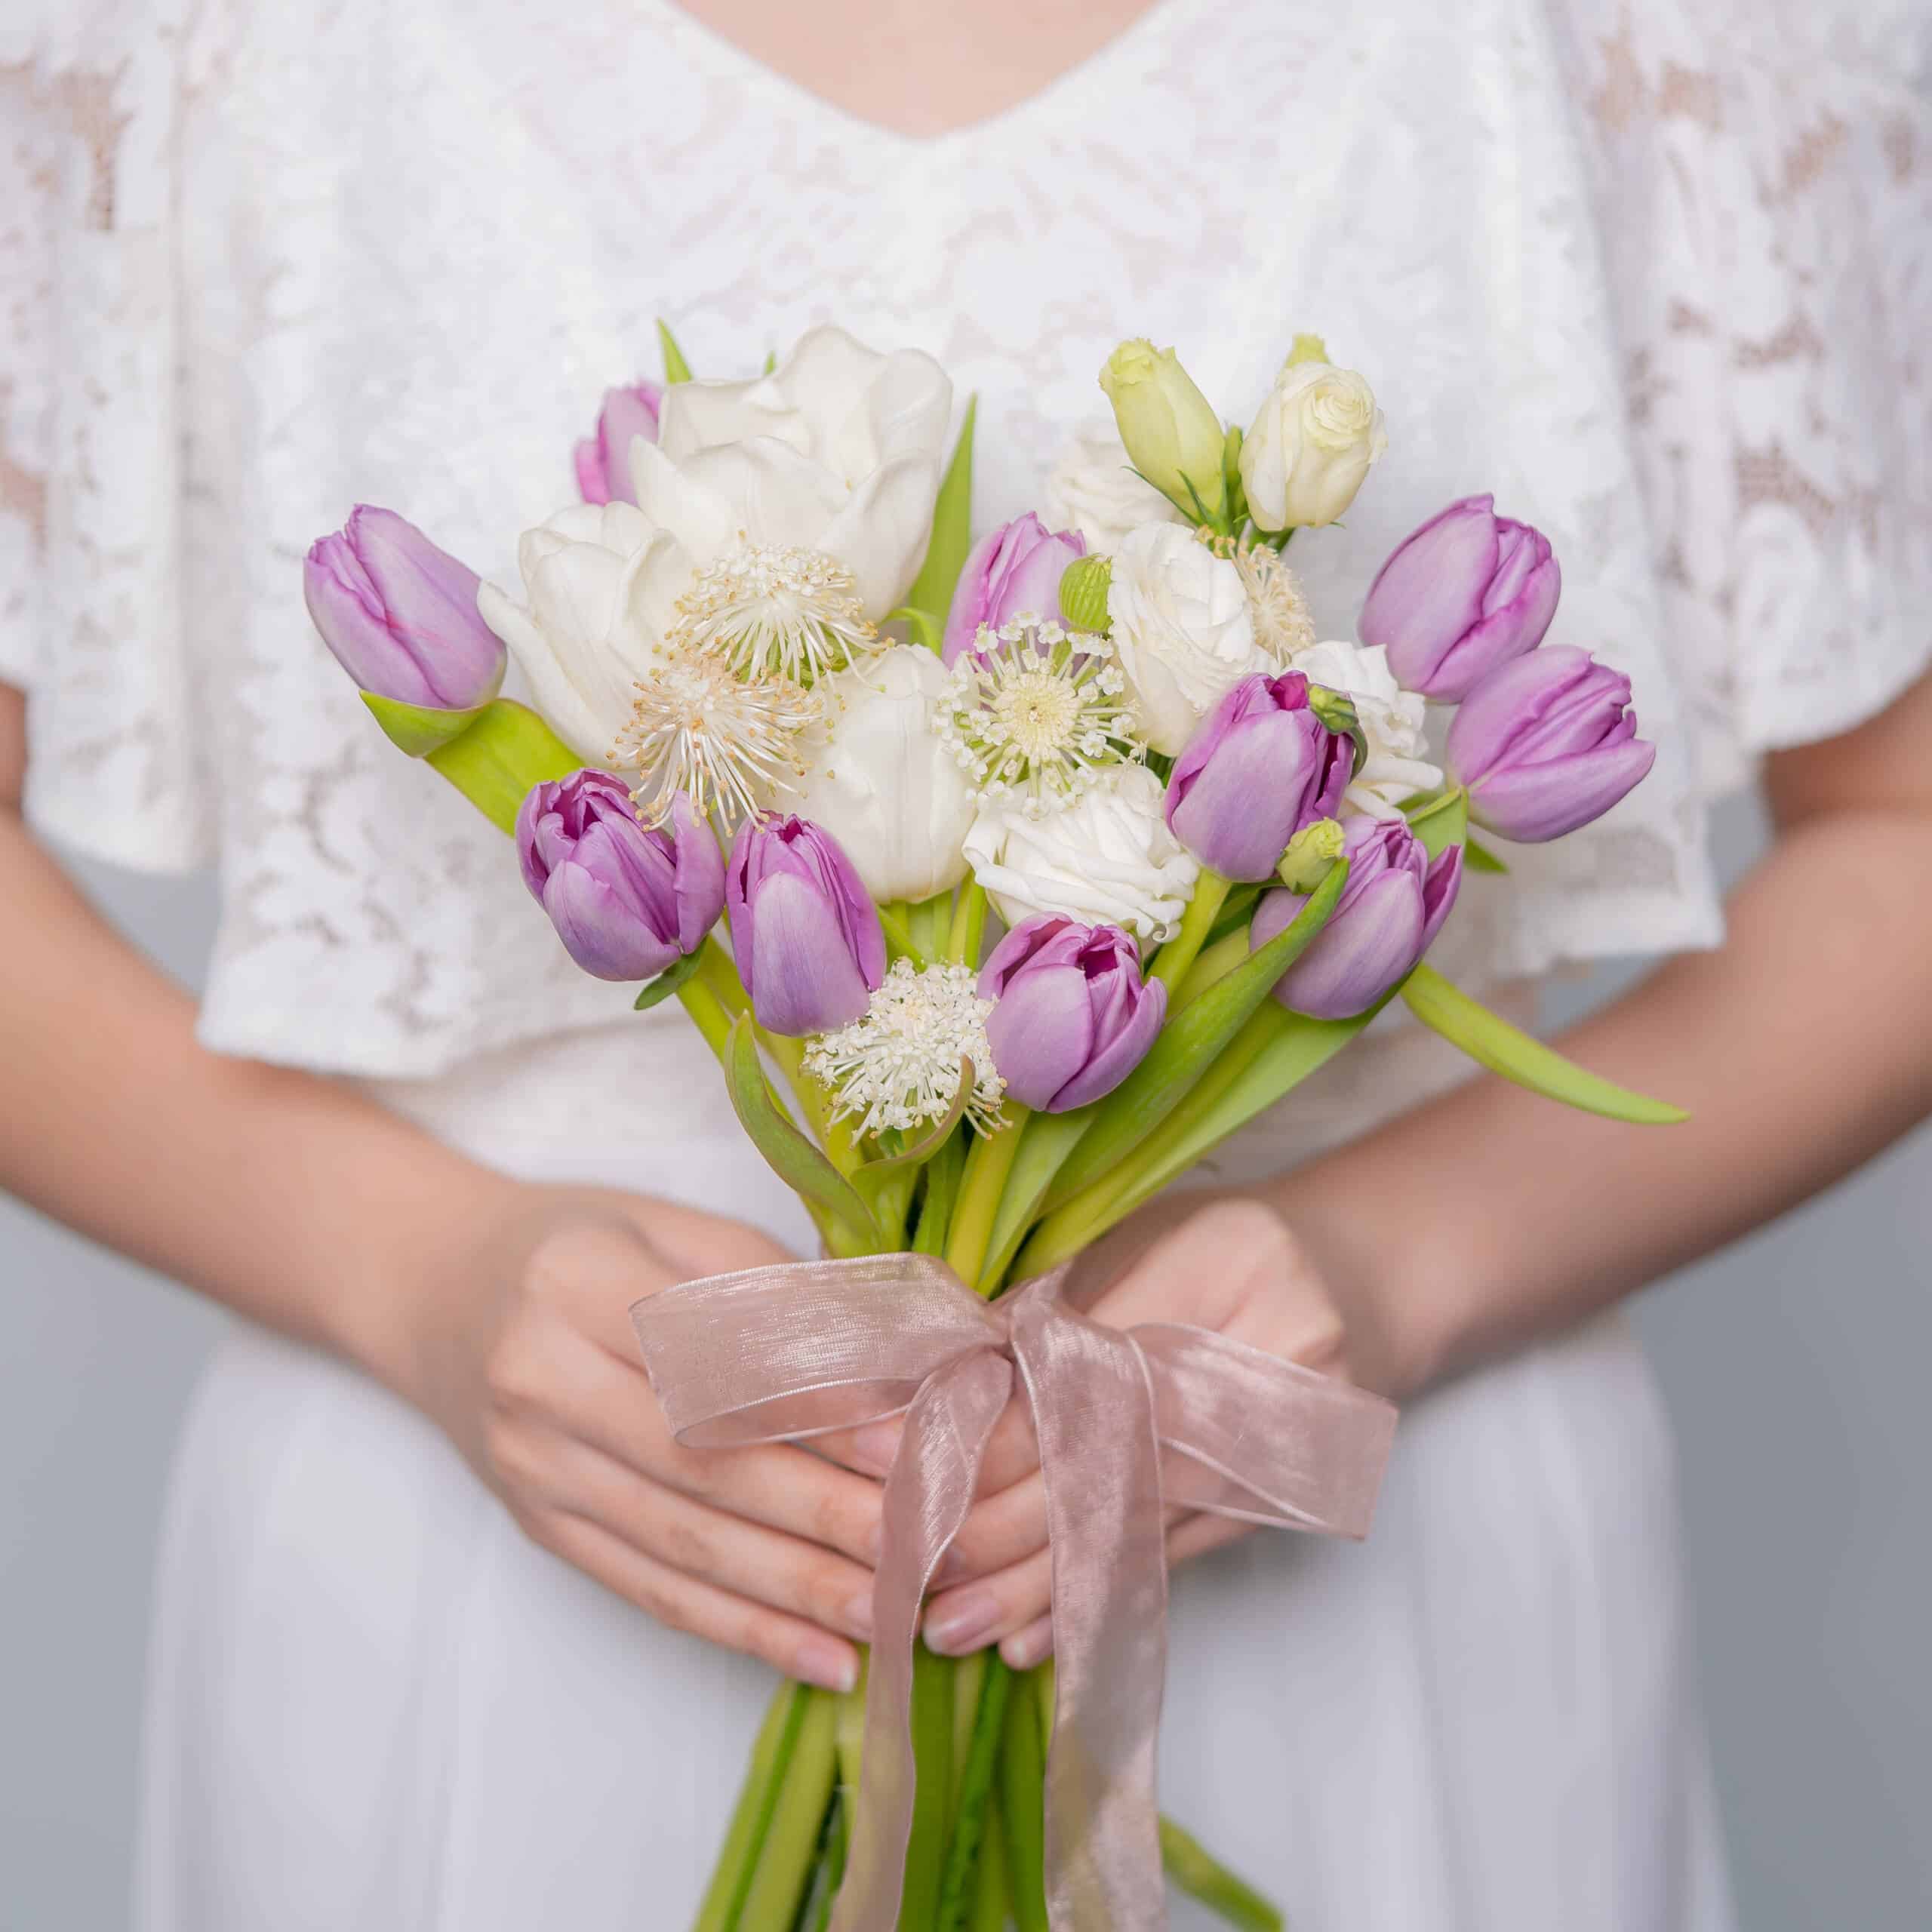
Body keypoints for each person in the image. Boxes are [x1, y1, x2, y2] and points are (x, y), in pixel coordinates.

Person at [3, 1, 1927, 1926]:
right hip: (500, 1540)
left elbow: (1897, 837)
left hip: (1351, 1499)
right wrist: (407, 1270)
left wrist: (1400, 1257)